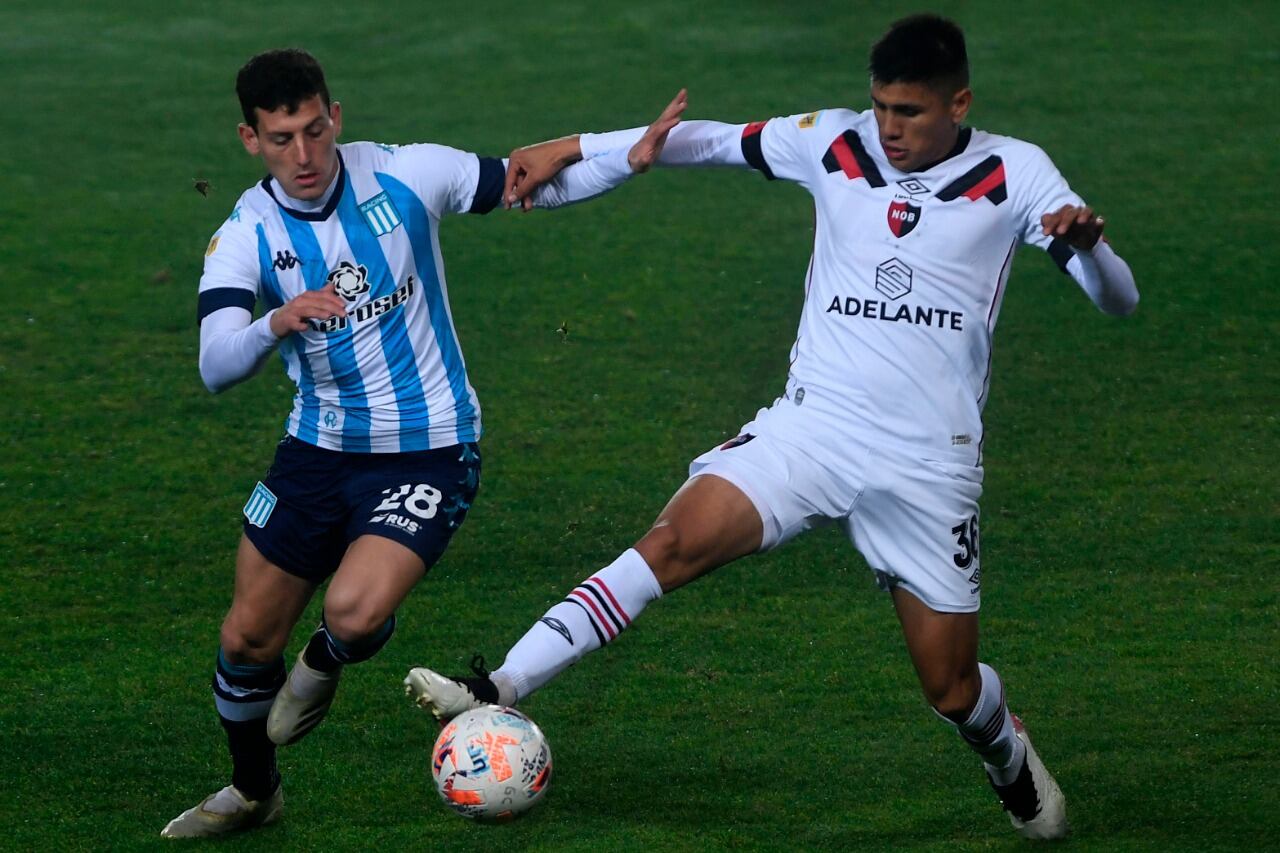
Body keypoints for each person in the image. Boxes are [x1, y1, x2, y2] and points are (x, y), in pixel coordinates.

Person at [405, 14, 1138, 841]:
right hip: (812, 431)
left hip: (928, 465)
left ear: (958, 104)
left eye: (909, 112)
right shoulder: (836, 142)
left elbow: (1119, 300)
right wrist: (573, 146)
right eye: (880, 107)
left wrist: (1089, 251)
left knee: (952, 688)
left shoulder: (1015, 172)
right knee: (669, 544)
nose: (889, 128)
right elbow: (707, 141)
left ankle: (1006, 753)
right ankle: (497, 686)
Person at [161, 49, 685, 838]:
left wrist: (627, 156)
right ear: (250, 139)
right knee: (245, 638)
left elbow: (528, 177)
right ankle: (253, 790)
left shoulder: (405, 174)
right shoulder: (246, 232)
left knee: (353, 612)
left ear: (335, 117)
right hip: (316, 451)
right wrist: (277, 321)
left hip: (431, 446)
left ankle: (328, 656)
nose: (303, 154)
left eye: (314, 130)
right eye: (281, 139)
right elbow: (214, 365)